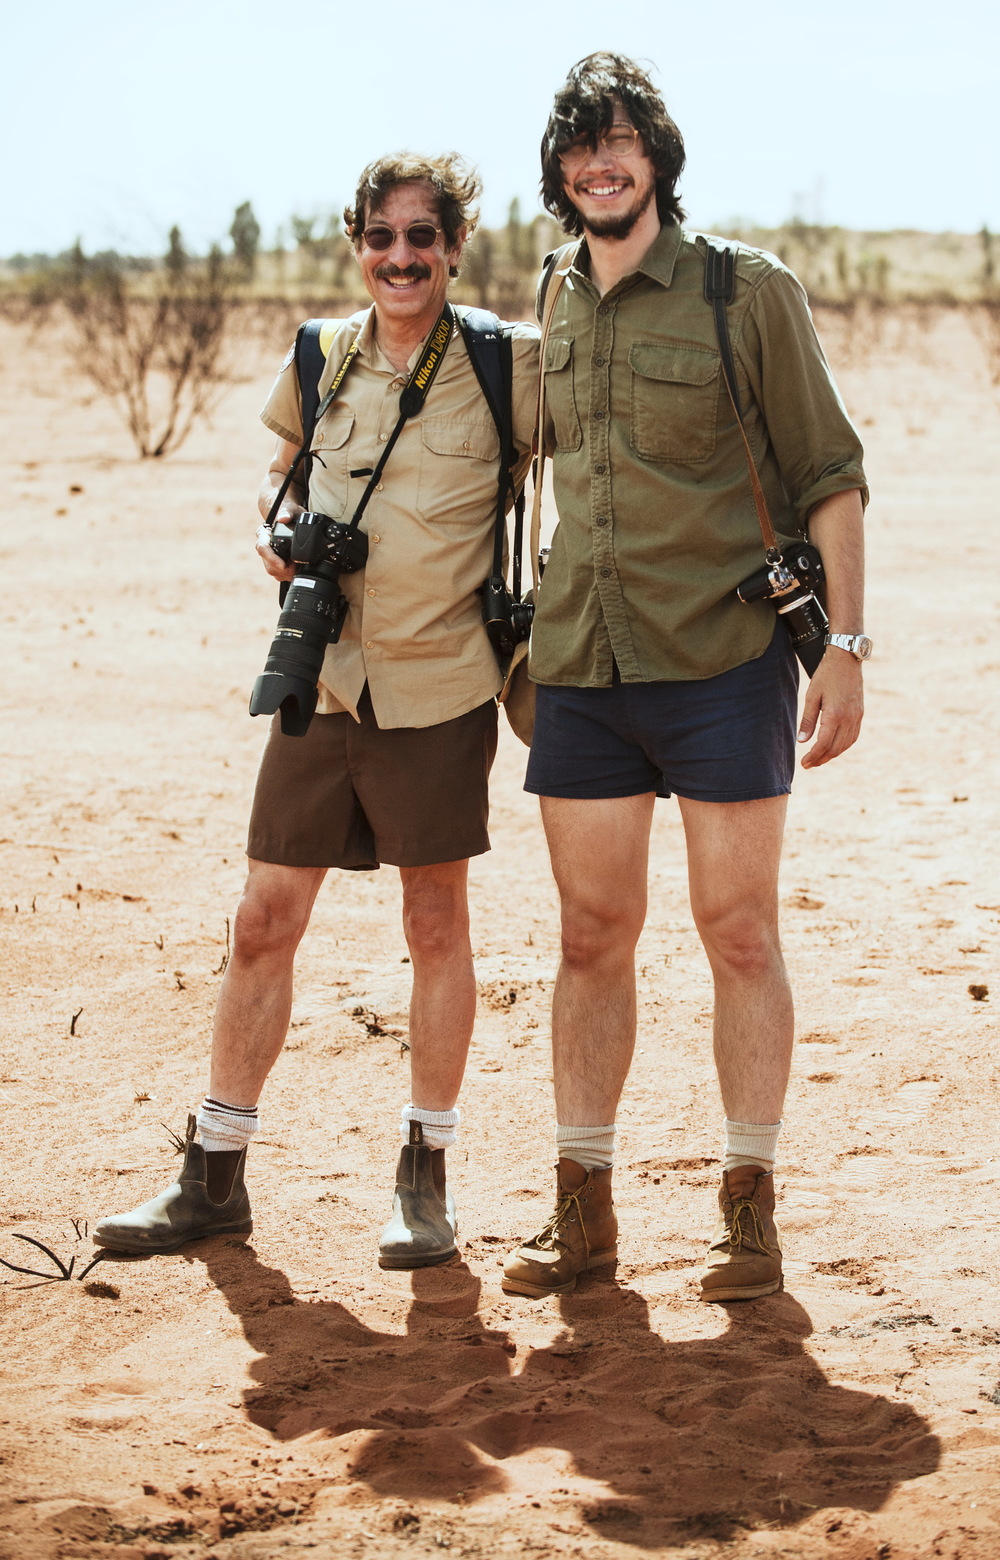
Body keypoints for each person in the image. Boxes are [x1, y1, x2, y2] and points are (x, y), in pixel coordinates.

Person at [94, 153, 539, 1270]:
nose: (401, 258)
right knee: (261, 921)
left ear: (452, 246)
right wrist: (274, 531)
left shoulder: (504, 363)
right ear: (357, 245)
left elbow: (588, 472)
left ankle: (424, 1181)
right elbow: (279, 477)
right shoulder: (319, 355)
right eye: (381, 239)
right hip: (321, 675)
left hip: (440, 687)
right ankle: (213, 1178)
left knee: (433, 926)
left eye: (421, 238)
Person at [502, 54, 870, 1302]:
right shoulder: (548, 295)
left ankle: (748, 1210)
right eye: (579, 148)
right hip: (584, 667)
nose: (601, 164)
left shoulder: (741, 290)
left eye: (622, 143)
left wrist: (849, 653)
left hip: (723, 661)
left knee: (739, 933)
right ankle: (582, 1212)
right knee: (590, 936)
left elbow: (829, 473)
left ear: (655, 157)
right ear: (560, 172)